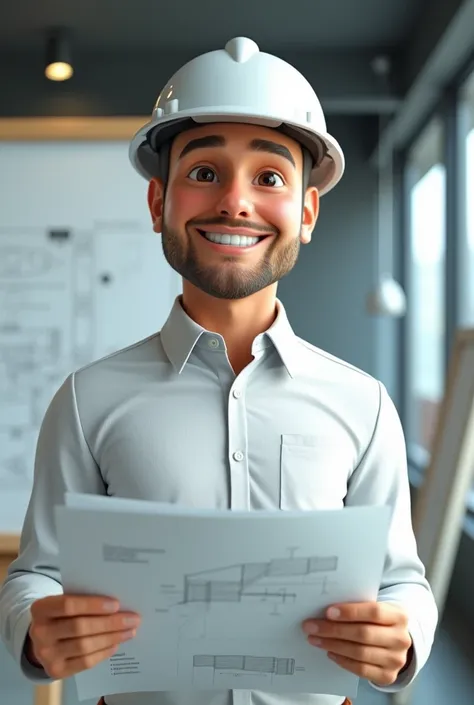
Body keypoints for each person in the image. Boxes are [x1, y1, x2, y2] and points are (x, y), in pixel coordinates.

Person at [0, 36, 438, 705]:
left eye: (270, 178)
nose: (236, 202)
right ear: (158, 203)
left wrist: (404, 635)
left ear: (307, 212)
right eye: (205, 172)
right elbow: (37, 571)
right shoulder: (88, 400)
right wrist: (35, 628)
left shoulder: (363, 404)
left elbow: (403, 579)